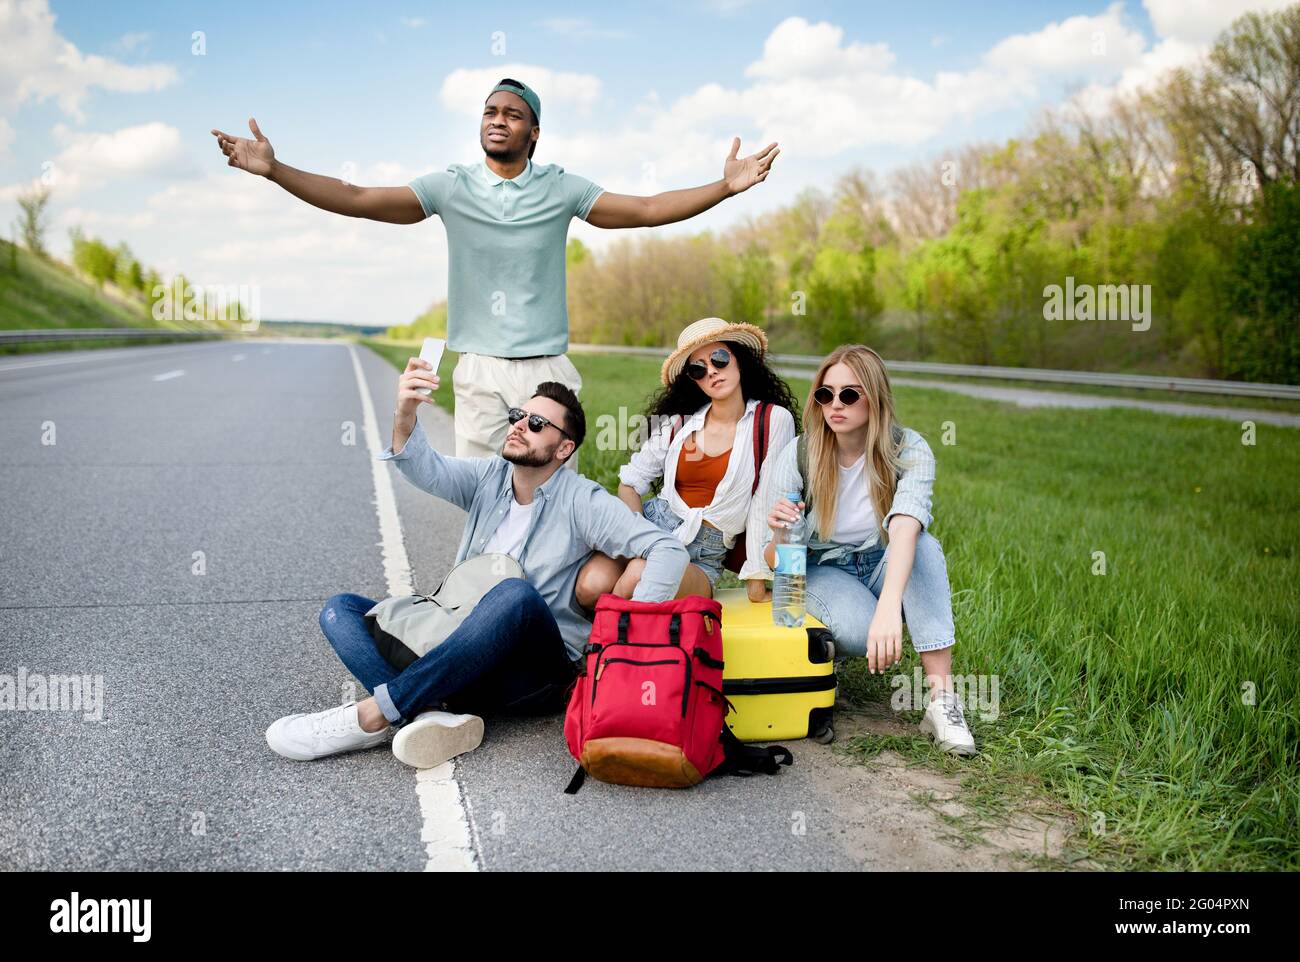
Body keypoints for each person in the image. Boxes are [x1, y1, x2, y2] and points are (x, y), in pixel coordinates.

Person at [211, 79, 780, 468]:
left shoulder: (561, 187)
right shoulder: (450, 186)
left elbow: (649, 209)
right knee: (486, 500)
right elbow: (357, 196)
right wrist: (274, 170)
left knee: (553, 502)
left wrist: (725, 187)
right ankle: (485, 620)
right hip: (480, 372)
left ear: (534, 132)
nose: (498, 120)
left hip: (548, 369)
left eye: (513, 114)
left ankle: (554, 628)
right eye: (490, 111)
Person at [265, 358, 689, 768]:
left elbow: (667, 550)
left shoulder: (584, 500)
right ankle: (429, 713)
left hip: (532, 673)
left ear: (564, 447)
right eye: (518, 415)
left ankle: (375, 715)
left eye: (537, 423)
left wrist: (633, 645)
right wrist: (405, 411)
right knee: (341, 609)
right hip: (461, 641)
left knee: (514, 595)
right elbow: (423, 468)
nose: (521, 425)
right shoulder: (490, 478)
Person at [747, 344, 976, 756]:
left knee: (925, 545)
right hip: (820, 568)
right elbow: (777, 562)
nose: (835, 405)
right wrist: (782, 534)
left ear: (875, 397)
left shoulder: (908, 450)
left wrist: (890, 608)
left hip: (880, 563)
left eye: (849, 394)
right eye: (825, 394)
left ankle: (943, 701)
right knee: (859, 631)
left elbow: (905, 531)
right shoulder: (799, 454)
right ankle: (825, 662)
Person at [576, 317, 798, 608]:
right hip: (653, 528)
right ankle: (604, 635)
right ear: (692, 379)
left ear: (739, 360)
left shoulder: (771, 421)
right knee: (590, 586)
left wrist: (756, 580)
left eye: (720, 359)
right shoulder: (678, 425)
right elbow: (630, 483)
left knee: (640, 575)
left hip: (703, 555)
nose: (712, 372)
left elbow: (764, 503)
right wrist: (640, 539)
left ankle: (605, 641)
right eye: (698, 369)